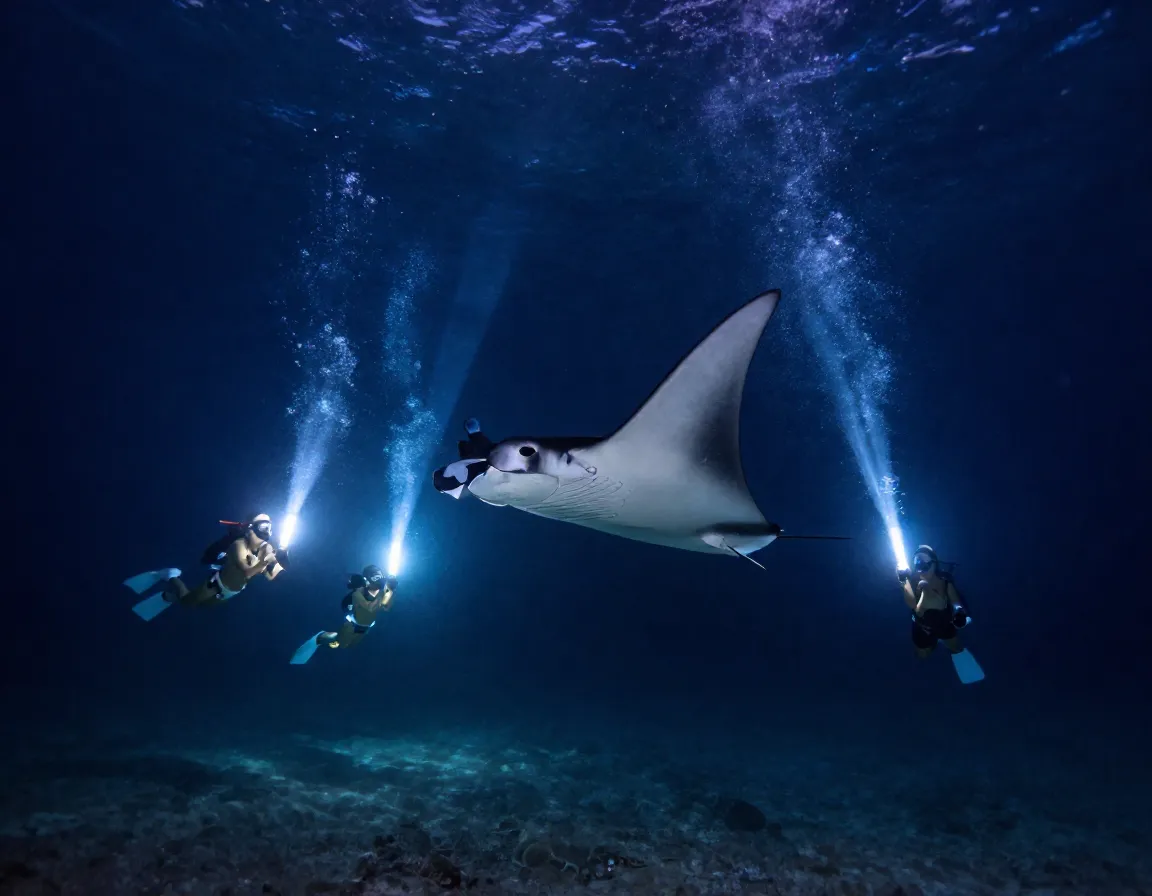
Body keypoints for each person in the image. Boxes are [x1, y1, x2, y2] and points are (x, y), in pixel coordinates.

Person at [123, 513, 289, 621]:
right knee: (188, 603)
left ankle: (175, 597)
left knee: (199, 606)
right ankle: (170, 576)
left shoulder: (263, 551)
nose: (267, 532)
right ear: (251, 529)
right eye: (263, 527)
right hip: (215, 586)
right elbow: (246, 571)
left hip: (229, 593)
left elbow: (272, 576)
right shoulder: (238, 545)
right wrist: (265, 562)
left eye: (269, 528)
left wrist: (280, 561)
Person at [900, 545, 983, 683]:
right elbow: (911, 604)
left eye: (925, 562)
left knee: (955, 647)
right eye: (917, 562)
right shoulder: (911, 579)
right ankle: (934, 644)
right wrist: (903, 582)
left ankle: (944, 644)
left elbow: (955, 600)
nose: (921, 566)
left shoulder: (944, 579)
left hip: (944, 621)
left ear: (934, 563)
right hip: (922, 625)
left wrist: (959, 613)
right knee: (922, 655)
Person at [289, 565, 396, 665]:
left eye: (380, 576)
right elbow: (370, 608)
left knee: (348, 646)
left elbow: (386, 607)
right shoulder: (357, 594)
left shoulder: (381, 594)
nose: (379, 579)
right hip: (351, 627)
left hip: (365, 629)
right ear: (367, 581)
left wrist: (391, 591)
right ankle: (320, 638)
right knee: (339, 642)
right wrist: (388, 591)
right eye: (376, 577)